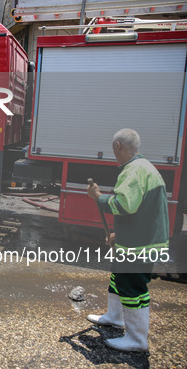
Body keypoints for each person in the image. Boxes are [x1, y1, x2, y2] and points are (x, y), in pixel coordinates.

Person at [86, 128, 169, 353]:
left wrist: (99, 198)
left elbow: (123, 206)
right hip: (140, 239)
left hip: (140, 245)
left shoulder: (132, 171)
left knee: (132, 287)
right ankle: (115, 317)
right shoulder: (145, 168)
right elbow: (142, 210)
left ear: (118, 146)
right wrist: (119, 235)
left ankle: (136, 339)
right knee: (118, 277)